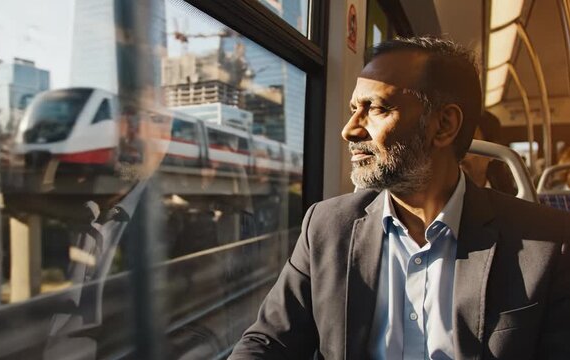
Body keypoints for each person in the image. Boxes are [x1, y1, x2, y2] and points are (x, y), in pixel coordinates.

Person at [229, 37, 570, 359]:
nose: (349, 129)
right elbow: (269, 340)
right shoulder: (327, 227)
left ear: (444, 125)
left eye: (375, 108)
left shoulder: (547, 243)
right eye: (353, 108)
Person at [460, 111, 517, 195]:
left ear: (491, 152)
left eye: (468, 143)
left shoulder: (511, 201)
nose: (459, 152)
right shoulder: (437, 203)